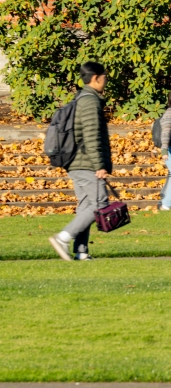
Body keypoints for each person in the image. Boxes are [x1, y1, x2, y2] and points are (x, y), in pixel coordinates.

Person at [48, 62, 112, 262]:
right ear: (96, 78)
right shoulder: (89, 102)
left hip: (79, 161)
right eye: (105, 76)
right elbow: (92, 136)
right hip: (84, 162)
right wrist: (99, 165)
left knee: (87, 206)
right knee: (100, 203)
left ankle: (81, 252)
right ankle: (62, 238)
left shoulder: (83, 98)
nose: (106, 80)